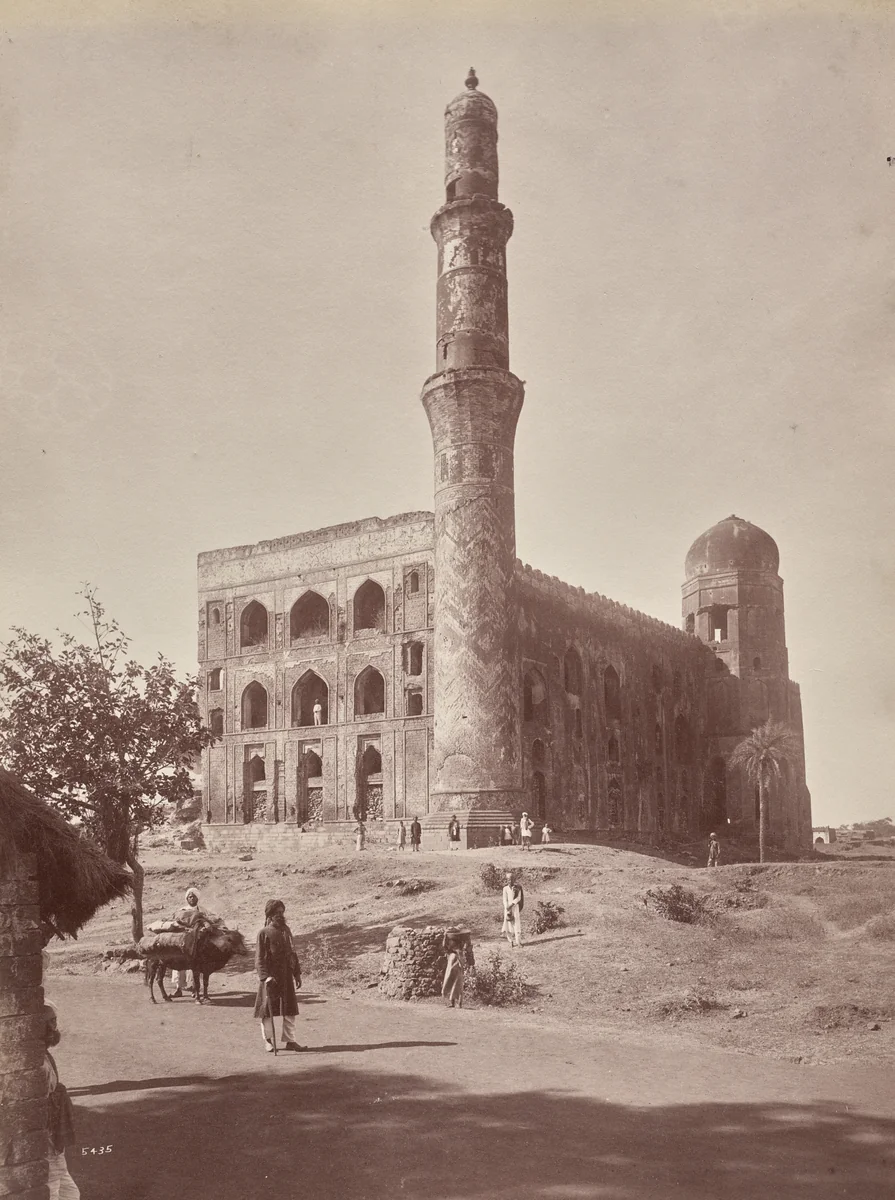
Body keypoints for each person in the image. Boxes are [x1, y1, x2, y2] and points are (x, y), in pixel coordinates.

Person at [253, 899, 303, 1052]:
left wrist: (297, 974)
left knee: (289, 1009)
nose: (280, 915)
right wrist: (265, 977)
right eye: (277, 913)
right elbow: (259, 959)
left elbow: (292, 954)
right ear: (270, 915)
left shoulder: (286, 931)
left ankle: (290, 1040)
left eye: (282, 912)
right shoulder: (264, 933)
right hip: (270, 978)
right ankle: (268, 1041)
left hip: (286, 976)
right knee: (267, 1010)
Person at [43, 1004, 79, 1200]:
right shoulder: (38, 1062)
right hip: (47, 1135)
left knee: (70, 1192)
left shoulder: (44, 1057)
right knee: (55, 1189)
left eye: (54, 1022)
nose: (53, 1029)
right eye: (49, 1023)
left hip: (53, 1136)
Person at [171, 886, 204, 998]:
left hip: (196, 942)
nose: (192, 899)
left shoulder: (202, 911)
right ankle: (178, 989)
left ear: (197, 898)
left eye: (194, 897)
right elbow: (176, 922)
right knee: (178, 964)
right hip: (183, 940)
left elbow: (207, 922)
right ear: (187, 899)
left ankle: (194, 990)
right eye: (190, 897)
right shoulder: (181, 911)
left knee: (194, 966)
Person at [502, 872, 524, 947]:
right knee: (508, 924)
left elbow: (519, 898)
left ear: (514, 879)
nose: (510, 881)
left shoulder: (518, 888)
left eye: (511, 879)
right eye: (508, 879)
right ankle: (510, 941)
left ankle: (518, 942)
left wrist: (512, 905)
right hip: (507, 908)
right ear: (506, 880)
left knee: (516, 924)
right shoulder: (505, 889)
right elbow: (504, 899)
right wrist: (507, 907)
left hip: (515, 907)